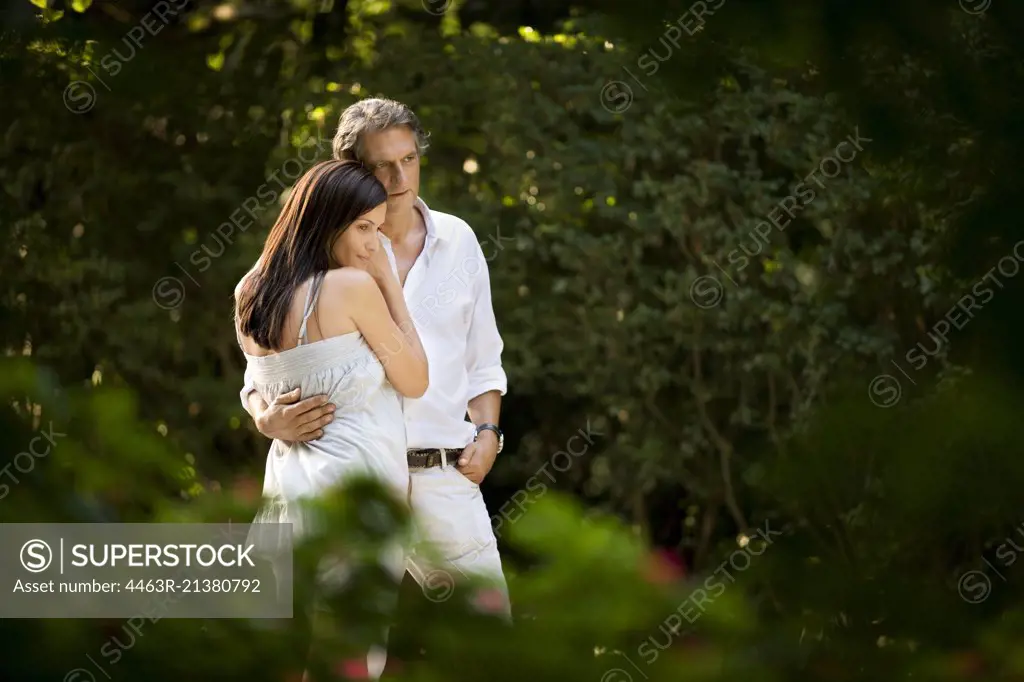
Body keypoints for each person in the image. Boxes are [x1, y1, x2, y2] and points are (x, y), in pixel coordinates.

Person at [238, 98, 512, 625]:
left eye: (409, 160)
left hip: (442, 471)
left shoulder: (459, 242)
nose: (399, 178)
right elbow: (262, 364)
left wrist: (490, 432)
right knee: (348, 642)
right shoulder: (301, 256)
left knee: (488, 635)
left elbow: (484, 359)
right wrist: (265, 417)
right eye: (382, 165)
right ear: (350, 168)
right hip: (346, 478)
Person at [233, 159, 429, 680]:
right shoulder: (351, 288)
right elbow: (414, 378)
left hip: (289, 487)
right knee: (349, 652)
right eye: (364, 227)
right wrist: (389, 280)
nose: (372, 244)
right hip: (356, 487)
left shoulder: (250, 292)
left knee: (289, 646)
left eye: (378, 230)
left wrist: (262, 418)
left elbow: (255, 384)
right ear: (327, 218)